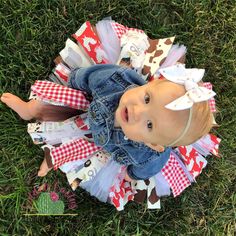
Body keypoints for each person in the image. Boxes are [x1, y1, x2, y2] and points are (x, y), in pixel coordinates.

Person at [0, 63, 215, 183]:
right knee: (52, 105)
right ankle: (30, 109)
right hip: (89, 107)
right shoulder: (115, 80)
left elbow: (145, 169)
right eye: (147, 98)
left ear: (154, 144)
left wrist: (132, 176)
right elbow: (89, 77)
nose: (137, 110)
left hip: (100, 144)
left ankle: (54, 158)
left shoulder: (150, 154)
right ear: (151, 83)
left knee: (78, 152)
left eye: (149, 125)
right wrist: (75, 80)